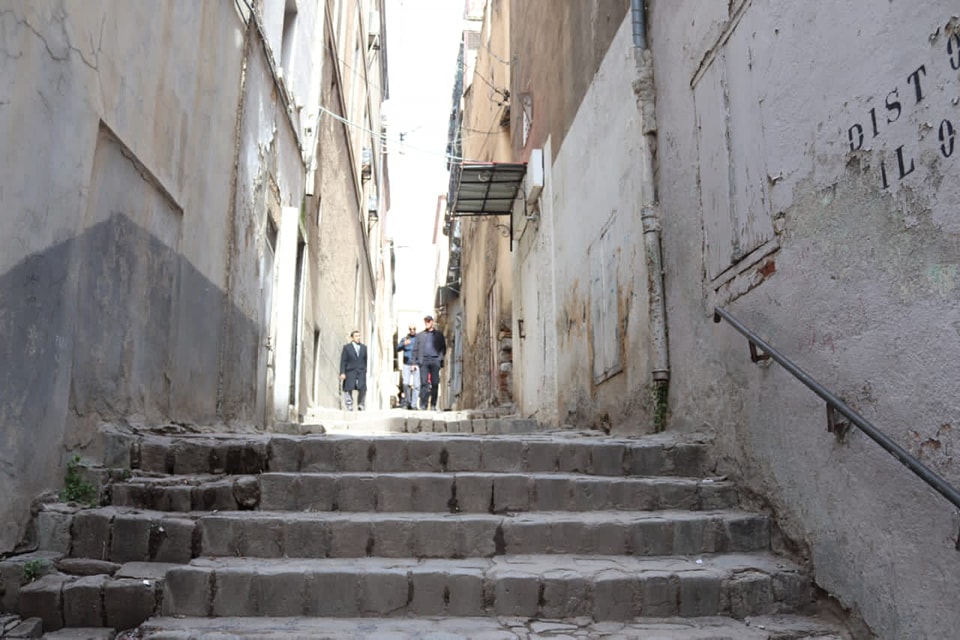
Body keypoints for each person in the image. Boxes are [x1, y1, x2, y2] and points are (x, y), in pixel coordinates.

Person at [412, 314, 446, 410]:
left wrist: (439, 359)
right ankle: (423, 404)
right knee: (424, 383)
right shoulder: (420, 335)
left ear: (432, 322)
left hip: (435, 360)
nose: (427, 323)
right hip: (424, 361)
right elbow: (415, 349)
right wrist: (414, 363)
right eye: (425, 321)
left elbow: (443, 348)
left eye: (428, 321)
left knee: (435, 383)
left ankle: (433, 405)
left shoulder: (439, 335)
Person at [339, 330, 368, 411]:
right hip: (350, 371)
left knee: (362, 388)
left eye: (359, 336)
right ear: (352, 338)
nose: (358, 337)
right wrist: (342, 372)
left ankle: (361, 405)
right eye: (356, 336)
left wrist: (364, 370)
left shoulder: (364, 348)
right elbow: (343, 361)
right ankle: (349, 405)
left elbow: (365, 360)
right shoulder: (347, 348)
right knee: (348, 388)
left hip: (361, 371)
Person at [396, 324, 420, 409]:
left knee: (416, 385)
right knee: (405, 384)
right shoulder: (405, 339)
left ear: (415, 329)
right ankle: (408, 402)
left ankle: (414, 404)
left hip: (416, 364)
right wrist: (403, 344)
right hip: (406, 364)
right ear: (409, 330)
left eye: (414, 329)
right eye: (410, 329)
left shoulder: (418, 339)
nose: (412, 330)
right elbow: (397, 348)